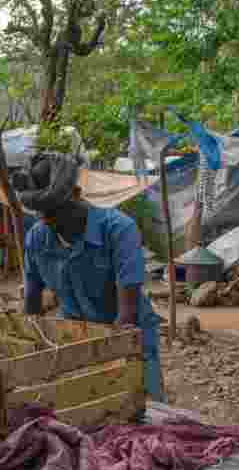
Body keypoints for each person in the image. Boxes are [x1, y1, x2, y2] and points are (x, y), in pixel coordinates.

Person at [16, 153, 165, 402]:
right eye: (44, 216)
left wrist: (111, 358)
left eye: (57, 213)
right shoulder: (37, 237)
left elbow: (126, 316)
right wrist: (31, 348)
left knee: (141, 409)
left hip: (126, 335)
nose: (52, 223)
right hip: (74, 336)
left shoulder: (118, 230)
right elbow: (32, 302)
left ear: (76, 193)